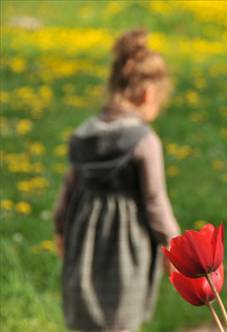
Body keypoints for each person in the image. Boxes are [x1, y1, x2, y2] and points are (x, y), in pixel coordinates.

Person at [53, 28, 180, 332]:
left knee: (85, 313)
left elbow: (67, 189)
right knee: (121, 315)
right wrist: (174, 246)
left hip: (84, 237)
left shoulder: (83, 134)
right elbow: (154, 201)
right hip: (127, 243)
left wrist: (60, 228)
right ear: (148, 94)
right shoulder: (144, 141)